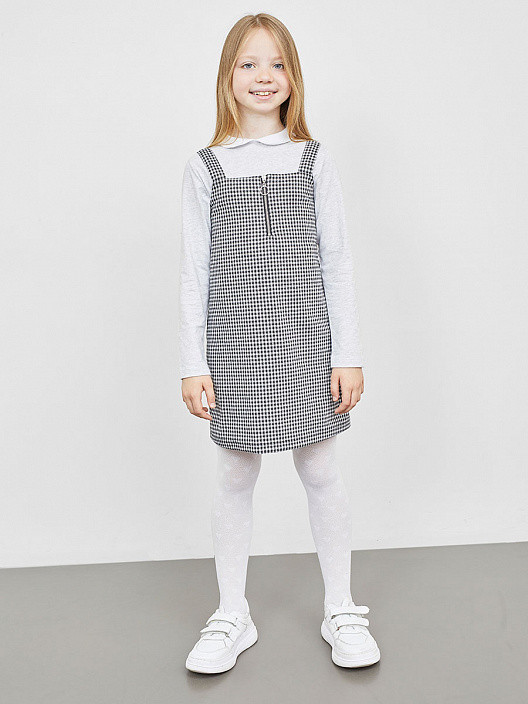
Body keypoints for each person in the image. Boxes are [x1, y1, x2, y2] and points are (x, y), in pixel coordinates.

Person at [179, 13, 380, 673]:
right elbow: (195, 271)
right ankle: (231, 612)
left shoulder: (313, 159)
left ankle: (340, 607)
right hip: (235, 345)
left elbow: (336, 261)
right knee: (236, 472)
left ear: (293, 77)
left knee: (319, 469)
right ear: (227, 76)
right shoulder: (207, 167)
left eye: (277, 64)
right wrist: (192, 362)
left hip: (305, 341)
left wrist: (347, 353)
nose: (263, 76)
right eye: (248, 63)